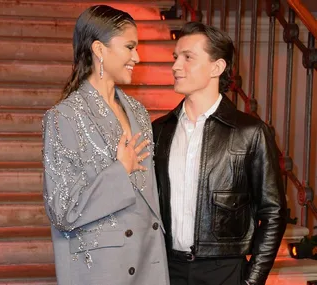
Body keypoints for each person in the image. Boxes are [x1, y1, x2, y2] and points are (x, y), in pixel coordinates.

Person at [42, 5, 169, 285]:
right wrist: (119, 172)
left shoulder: (138, 111)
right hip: (103, 270)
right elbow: (62, 210)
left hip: (148, 260)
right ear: (100, 50)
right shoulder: (64, 117)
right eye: (130, 47)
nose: (137, 57)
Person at [152, 22, 287, 285]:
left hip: (224, 271)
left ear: (217, 67)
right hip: (167, 270)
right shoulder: (159, 130)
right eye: (175, 57)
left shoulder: (250, 132)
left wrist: (252, 280)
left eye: (188, 57)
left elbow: (273, 213)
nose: (176, 66)